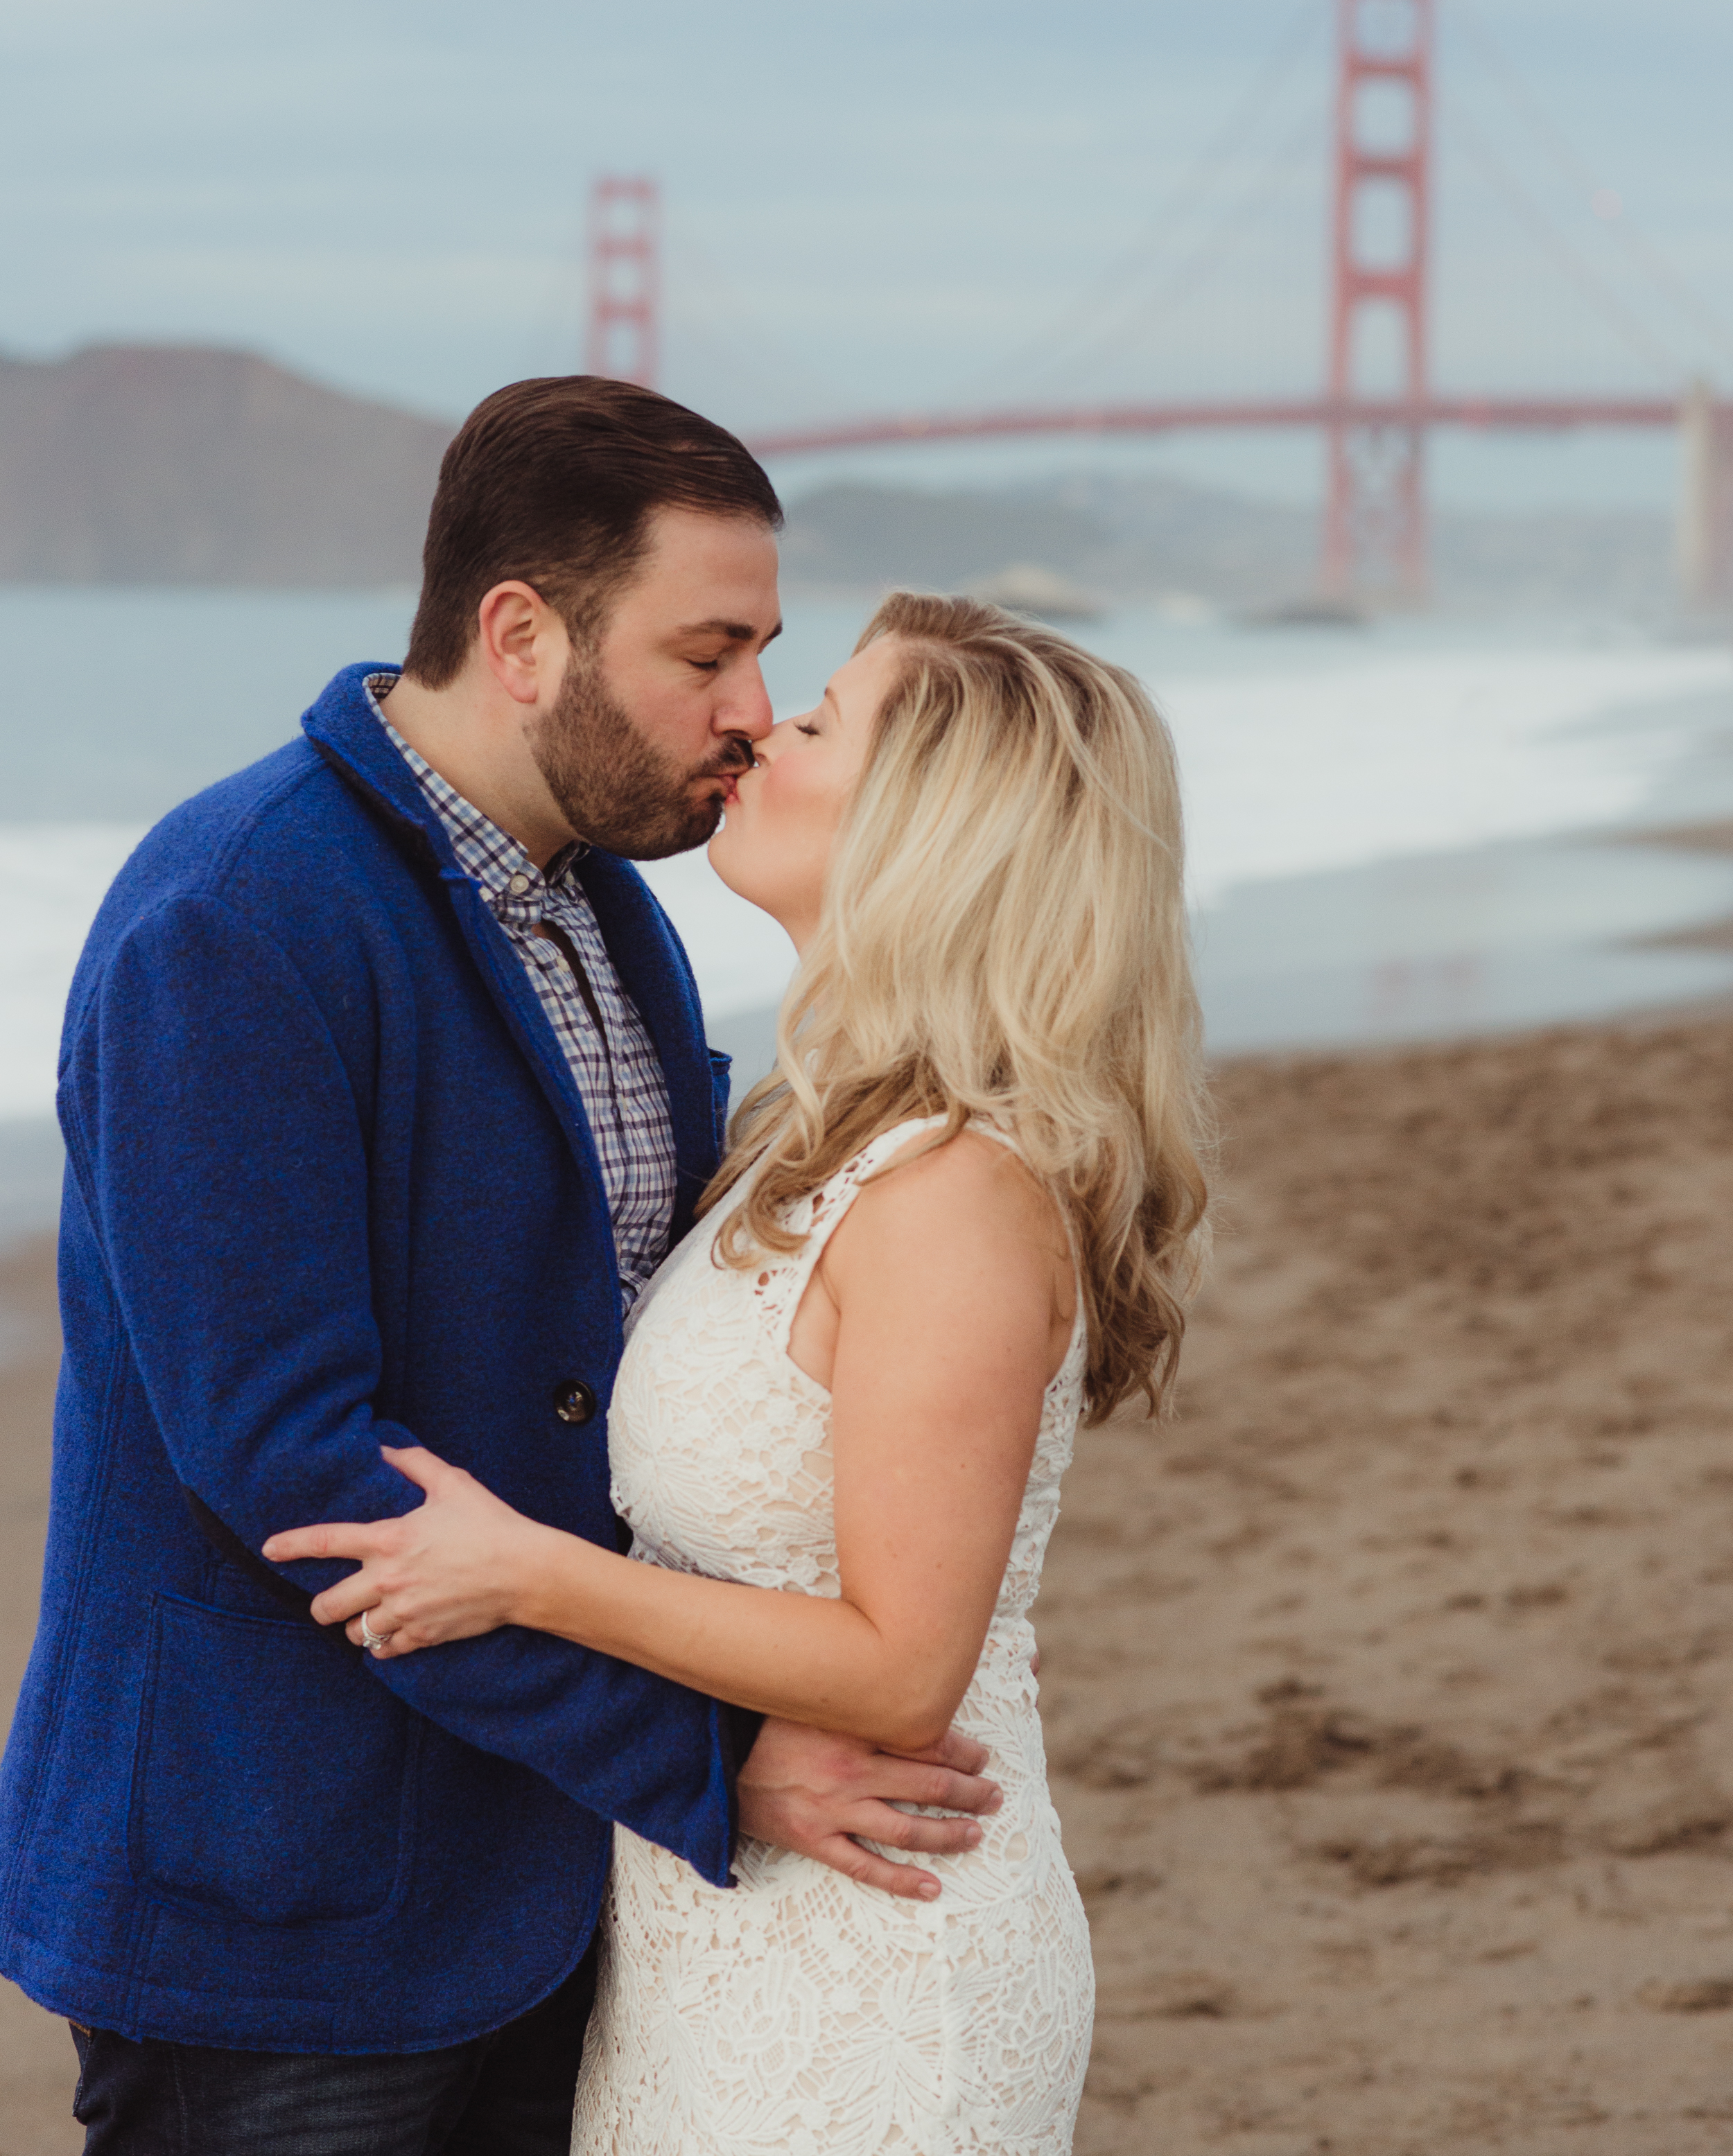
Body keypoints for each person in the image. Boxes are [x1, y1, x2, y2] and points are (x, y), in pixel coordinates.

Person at [0, 380, 1000, 2155]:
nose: (752, 716)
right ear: (522, 636)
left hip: (544, 1866)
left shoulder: (611, 912)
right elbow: (298, 1470)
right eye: (708, 653)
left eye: (768, 655)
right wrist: (704, 1756)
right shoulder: (235, 916)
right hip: (279, 1901)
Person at [265, 589, 1213, 2154]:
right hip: (719, 1931)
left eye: (821, 718)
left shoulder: (955, 1196)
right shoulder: (813, 1133)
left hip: (874, 1956)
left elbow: (905, 1665)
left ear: (934, 824)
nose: (763, 724)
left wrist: (524, 1574)